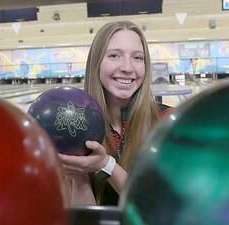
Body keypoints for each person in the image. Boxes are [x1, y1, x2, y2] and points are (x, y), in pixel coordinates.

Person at [59, 20, 173, 206]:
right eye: (114, 55)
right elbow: (86, 219)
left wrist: (106, 164)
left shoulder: (167, 122)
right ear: (96, 62)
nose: (127, 67)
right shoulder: (76, 127)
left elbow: (158, 208)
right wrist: (79, 176)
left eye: (137, 58)